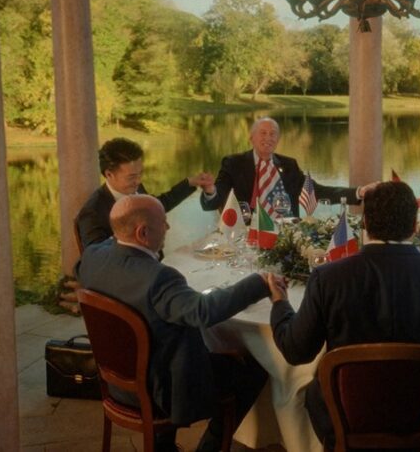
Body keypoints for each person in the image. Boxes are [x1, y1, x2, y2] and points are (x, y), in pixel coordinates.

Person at [268, 181, 420, 451]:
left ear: (364, 224)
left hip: (346, 415)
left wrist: (280, 302)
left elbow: (296, 351)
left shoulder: (328, 278)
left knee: (316, 390)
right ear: (414, 226)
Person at [76, 194, 276, 452]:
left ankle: (164, 446)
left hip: (117, 381)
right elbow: (202, 312)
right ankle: (210, 447)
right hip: (162, 390)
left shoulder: (91, 257)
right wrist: (260, 283)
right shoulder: (158, 278)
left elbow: (82, 268)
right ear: (143, 232)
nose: (168, 228)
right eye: (164, 222)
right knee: (254, 369)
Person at [200, 117, 369, 218]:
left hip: (285, 234)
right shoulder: (234, 163)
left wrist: (358, 192)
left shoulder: (289, 165)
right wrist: (209, 190)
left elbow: (317, 191)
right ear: (251, 137)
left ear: (278, 138)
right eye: (263, 133)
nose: (268, 138)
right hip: (248, 235)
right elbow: (214, 201)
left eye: (273, 133)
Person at [75, 137, 214, 251]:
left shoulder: (135, 187)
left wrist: (190, 183)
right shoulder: (92, 212)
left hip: (154, 264)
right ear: (109, 174)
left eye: (140, 174)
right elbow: (95, 257)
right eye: (131, 177)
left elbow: (158, 205)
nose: (138, 181)